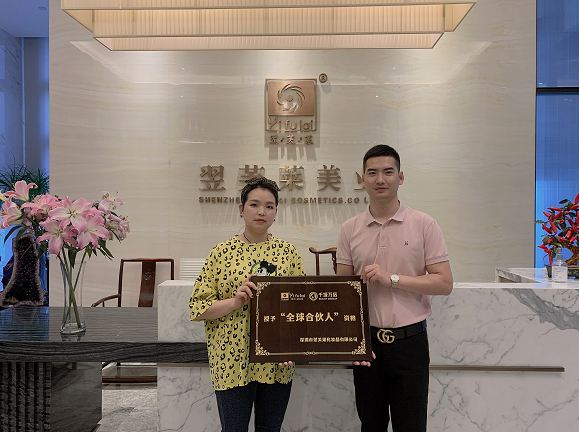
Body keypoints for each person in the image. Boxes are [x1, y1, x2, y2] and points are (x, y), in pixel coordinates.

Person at [336, 145, 453, 432]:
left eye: (388, 172)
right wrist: (352, 342)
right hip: (368, 345)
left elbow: (444, 282)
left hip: (410, 343)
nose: (380, 179)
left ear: (400, 178)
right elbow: (344, 293)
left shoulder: (424, 224)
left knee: (411, 425)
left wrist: (394, 279)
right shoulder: (349, 229)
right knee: (371, 425)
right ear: (362, 179)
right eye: (372, 173)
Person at [189, 177, 303, 432]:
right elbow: (198, 308)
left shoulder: (288, 253)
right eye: (254, 204)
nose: (262, 212)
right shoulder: (221, 253)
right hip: (231, 358)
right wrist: (235, 301)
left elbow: (299, 308)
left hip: (277, 359)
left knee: (270, 428)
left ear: (276, 212)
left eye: (269, 206)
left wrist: (292, 347)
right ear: (241, 208)